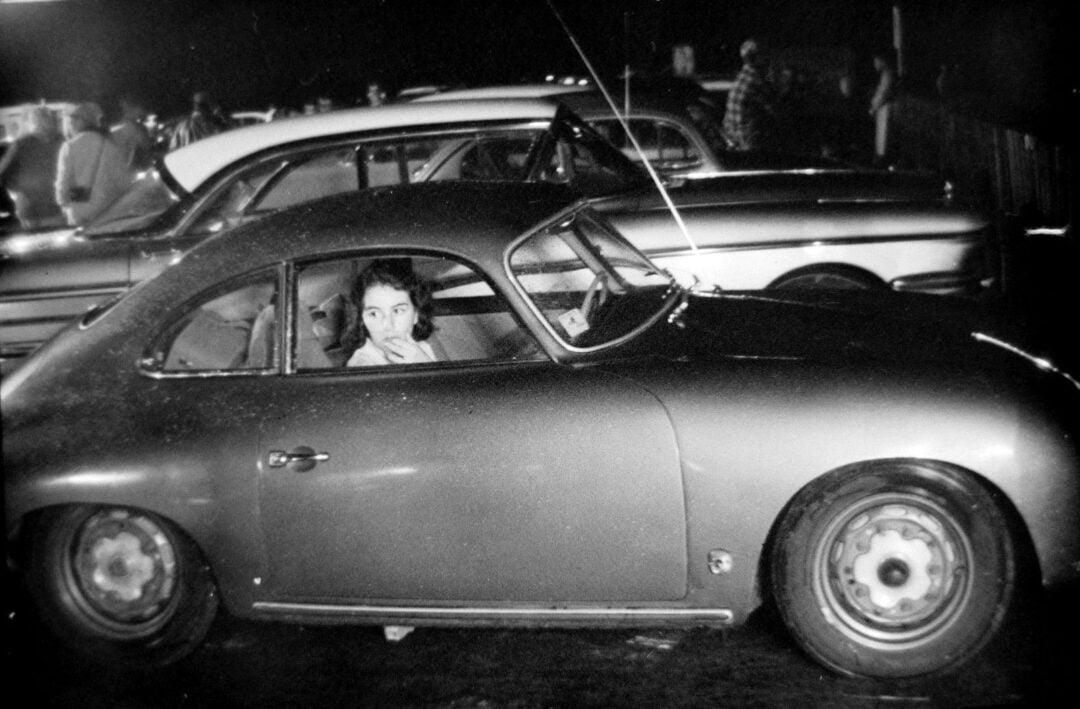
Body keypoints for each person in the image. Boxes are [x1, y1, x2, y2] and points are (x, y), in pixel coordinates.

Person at [342, 258, 438, 366]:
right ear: (362, 320)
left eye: (398, 311)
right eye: (374, 314)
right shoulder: (362, 366)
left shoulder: (421, 349)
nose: (388, 325)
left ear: (416, 314)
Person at [54, 102, 133, 227]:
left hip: (80, 210)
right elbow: (123, 179)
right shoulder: (110, 144)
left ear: (83, 121)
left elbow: (63, 181)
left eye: (73, 120)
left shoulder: (70, 146)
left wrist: (63, 204)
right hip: (108, 208)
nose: (71, 125)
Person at [0, 105, 65, 229]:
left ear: (32, 122)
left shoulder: (21, 144)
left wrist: (14, 188)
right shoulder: (62, 142)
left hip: (28, 206)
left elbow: (2, 169)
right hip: (56, 205)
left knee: (33, 242)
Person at [722, 38, 775, 151]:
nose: (768, 59)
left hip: (733, 135)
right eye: (764, 55)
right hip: (748, 139)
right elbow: (773, 109)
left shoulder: (741, 76)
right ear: (757, 58)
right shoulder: (756, 80)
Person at [869, 49, 898, 165]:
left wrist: (873, 106)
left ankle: (882, 161)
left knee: (884, 139)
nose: (874, 64)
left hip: (885, 111)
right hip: (882, 110)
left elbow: (884, 93)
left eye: (876, 61)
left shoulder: (888, 75)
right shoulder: (886, 75)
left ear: (882, 61)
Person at [110, 95, 153, 170]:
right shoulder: (129, 128)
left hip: (130, 169)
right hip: (128, 170)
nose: (141, 111)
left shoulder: (138, 127)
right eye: (140, 108)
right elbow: (144, 148)